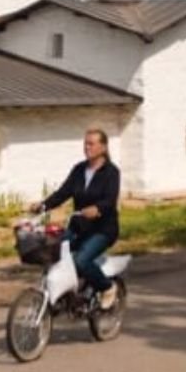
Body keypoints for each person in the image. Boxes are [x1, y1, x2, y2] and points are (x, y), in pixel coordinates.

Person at [31, 128, 121, 311]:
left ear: (103, 147)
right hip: (79, 226)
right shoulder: (79, 169)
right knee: (52, 252)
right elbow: (63, 193)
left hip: (102, 229)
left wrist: (97, 209)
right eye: (85, 143)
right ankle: (67, 293)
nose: (87, 147)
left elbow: (110, 200)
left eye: (91, 144)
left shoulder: (111, 172)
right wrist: (43, 206)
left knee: (81, 261)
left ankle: (108, 287)